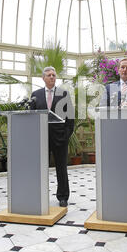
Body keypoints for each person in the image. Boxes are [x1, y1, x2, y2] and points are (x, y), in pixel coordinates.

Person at [30, 66, 75, 207]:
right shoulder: (35, 94)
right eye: (49, 75)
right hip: (41, 138)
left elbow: (71, 117)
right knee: (41, 168)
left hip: (60, 138)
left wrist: (66, 135)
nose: (52, 77)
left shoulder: (64, 94)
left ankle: (63, 197)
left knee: (61, 168)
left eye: (54, 75)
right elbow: (31, 117)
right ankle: (39, 194)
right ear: (43, 78)